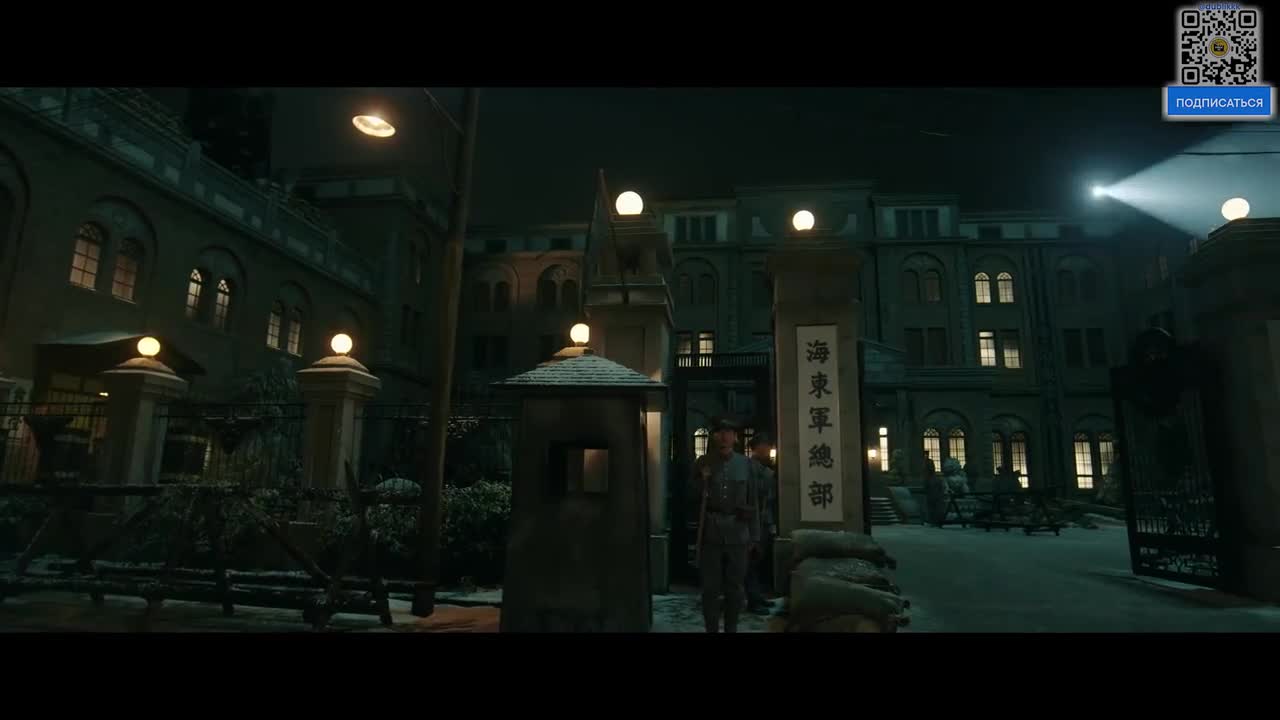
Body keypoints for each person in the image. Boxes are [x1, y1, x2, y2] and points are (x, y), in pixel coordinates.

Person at [690, 417, 762, 633]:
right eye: (720, 432)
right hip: (711, 532)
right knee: (710, 589)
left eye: (729, 432)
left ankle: (731, 629)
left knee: (735, 588)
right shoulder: (703, 462)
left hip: (738, 531)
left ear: (735, 438)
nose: (724, 436)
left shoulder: (746, 464)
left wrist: (755, 535)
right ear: (714, 436)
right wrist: (702, 480)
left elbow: (753, 501)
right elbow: (691, 496)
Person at [744, 433, 777, 614]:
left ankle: (757, 595)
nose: (768, 449)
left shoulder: (766, 467)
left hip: (764, 519)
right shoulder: (749, 467)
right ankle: (753, 599)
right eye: (765, 445)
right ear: (756, 447)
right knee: (749, 561)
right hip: (752, 519)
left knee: (757, 560)